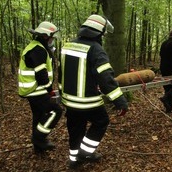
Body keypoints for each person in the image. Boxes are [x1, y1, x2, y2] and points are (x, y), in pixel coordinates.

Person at [58, 14, 128, 169]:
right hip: (88, 102)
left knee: (75, 130)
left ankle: (74, 161)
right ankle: (85, 152)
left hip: (69, 101)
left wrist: (62, 96)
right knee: (101, 122)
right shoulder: (96, 50)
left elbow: (61, 74)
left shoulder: (67, 46)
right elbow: (106, 79)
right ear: (99, 32)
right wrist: (120, 101)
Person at [18, 21, 62, 153]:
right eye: (52, 37)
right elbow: (42, 76)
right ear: (45, 36)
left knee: (39, 115)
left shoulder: (35, 47)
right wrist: (50, 90)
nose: (52, 40)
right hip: (35, 90)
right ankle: (39, 138)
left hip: (33, 90)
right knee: (56, 111)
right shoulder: (38, 50)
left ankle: (38, 147)